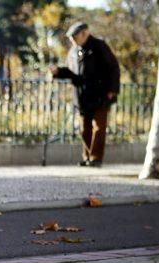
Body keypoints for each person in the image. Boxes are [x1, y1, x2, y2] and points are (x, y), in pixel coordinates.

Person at [49, 22, 120, 168]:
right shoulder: (73, 52)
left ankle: (96, 158)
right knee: (84, 129)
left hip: (101, 94)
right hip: (82, 96)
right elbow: (71, 72)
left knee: (98, 127)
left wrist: (112, 89)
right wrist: (58, 72)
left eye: (74, 37)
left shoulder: (99, 46)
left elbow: (113, 67)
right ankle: (87, 156)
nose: (72, 41)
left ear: (84, 33)